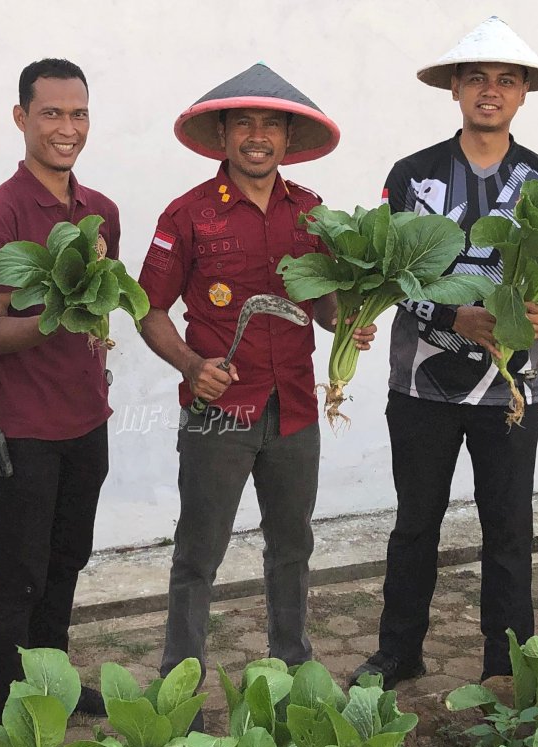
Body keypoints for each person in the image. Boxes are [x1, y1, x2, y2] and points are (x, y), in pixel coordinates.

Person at [354, 17, 538, 687]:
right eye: (477, 78)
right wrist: (455, 314)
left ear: (524, 93)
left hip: (510, 393)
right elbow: (390, 274)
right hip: (421, 384)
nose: (490, 91)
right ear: (455, 87)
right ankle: (398, 652)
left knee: (507, 529)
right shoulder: (412, 175)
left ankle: (506, 662)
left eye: (506, 80)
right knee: (415, 523)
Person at [136, 63, 373, 683]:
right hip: (219, 410)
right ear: (223, 136)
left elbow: (324, 302)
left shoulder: (314, 213)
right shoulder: (186, 215)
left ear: (289, 141)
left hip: (295, 404)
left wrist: (348, 322)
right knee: (198, 552)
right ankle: (180, 680)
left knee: (292, 546)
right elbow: (148, 310)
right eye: (245, 123)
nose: (258, 136)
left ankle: (292, 667)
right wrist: (190, 365)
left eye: (271, 124)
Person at [0, 58, 116, 725]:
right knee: (20, 572)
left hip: (87, 419)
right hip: (22, 427)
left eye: (77, 113)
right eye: (51, 113)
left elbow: (103, 309)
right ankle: (7, 713)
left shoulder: (101, 212)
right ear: (21, 118)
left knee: (66, 560)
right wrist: (59, 305)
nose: (66, 127)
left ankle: (51, 683)